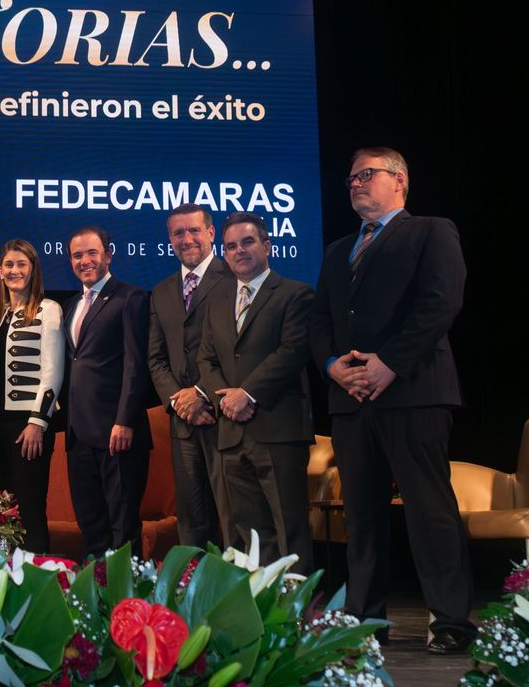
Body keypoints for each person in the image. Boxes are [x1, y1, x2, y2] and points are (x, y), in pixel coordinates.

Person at [310, 146, 474, 654]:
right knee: (362, 516)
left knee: (429, 509)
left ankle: (450, 620)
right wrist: (333, 366)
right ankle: (366, 621)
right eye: (351, 178)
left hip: (414, 393)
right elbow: (320, 320)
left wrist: (390, 363)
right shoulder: (338, 250)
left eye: (366, 175)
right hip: (352, 401)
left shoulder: (431, 231)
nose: (355, 184)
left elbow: (441, 302)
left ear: (399, 180)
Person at [197, 213, 314, 573]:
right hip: (231, 432)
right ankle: (261, 604)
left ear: (267, 246)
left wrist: (247, 394)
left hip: (277, 430)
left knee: (289, 529)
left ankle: (297, 605)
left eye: (247, 242)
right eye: (230, 246)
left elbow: (292, 351)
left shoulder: (295, 293)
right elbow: (206, 358)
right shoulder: (217, 300)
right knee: (251, 535)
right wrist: (225, 400)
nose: (239, 251)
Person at [147, 203, 234, 549]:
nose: (187, 239)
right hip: (182, 423)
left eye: (194, 230)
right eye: (178, 233)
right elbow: (156, 358)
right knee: (192, 523)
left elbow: (238, 351)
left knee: (233, 521)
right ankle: (193, 584)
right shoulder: (161, 291)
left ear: (211, 233)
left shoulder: (234, 278)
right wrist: (179, 402)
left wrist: (201, 393)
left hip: (226, 418)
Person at [63, 226, 152, 558]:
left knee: (123, 529)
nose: (84, 261)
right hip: (78, 435)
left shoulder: (131, 298)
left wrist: (124, 420)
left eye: (92, 253)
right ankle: (95, 589)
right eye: (77, 255)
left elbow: (135, 364)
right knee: (92, 528)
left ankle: (128, 591)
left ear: (109, 256)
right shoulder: (71, 305)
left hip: (117, 433)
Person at [0, 239, 66, 554]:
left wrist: (38, 422)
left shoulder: (49, 309)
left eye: (22, 264)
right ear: (0, 271)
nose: (14, 270)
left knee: (29, 506)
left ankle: (36, 570)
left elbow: (53, 370)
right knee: (4, 507)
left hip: (28, 424)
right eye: (9, 264)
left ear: (33, 270)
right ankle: (4, 567)